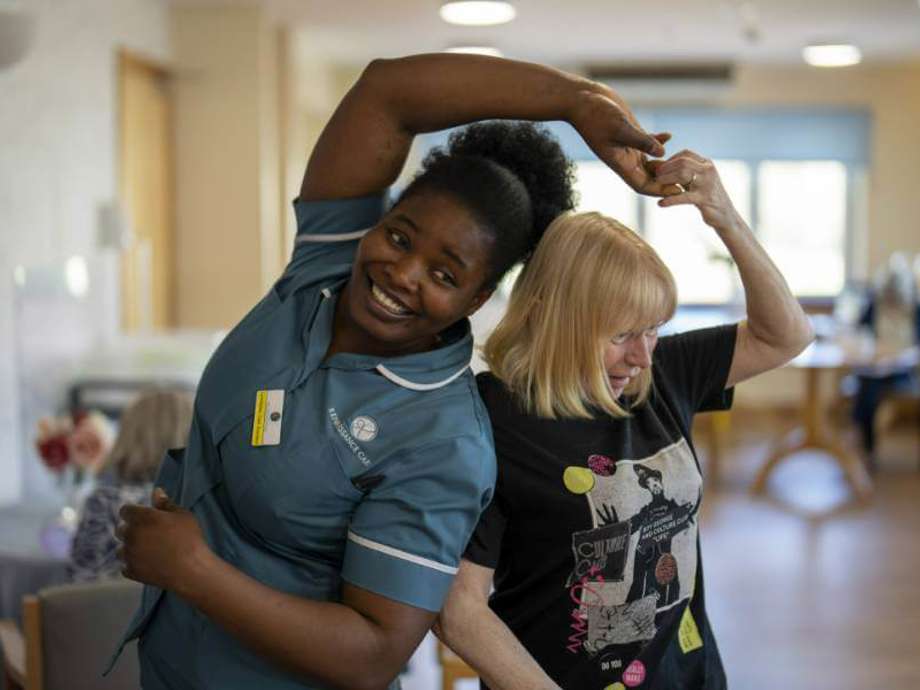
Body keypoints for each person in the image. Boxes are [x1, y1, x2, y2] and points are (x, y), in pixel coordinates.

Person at [111, 53, 675, 690]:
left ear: (476, 300)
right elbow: (387, 90)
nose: (402, 276)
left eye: (444, 275)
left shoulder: (443, 441)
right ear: (375, 225)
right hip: (168, 664)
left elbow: (373, 653)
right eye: (401, 238)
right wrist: (576, 101)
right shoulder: (320, 276)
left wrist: (194, 570)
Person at [435, 149, 815, 690]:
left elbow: (786, 335)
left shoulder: (663, 376)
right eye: (619, 335)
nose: (641, 356)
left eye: (654, 329)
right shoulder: (488, 418)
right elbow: (459, 609)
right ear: (554, 317)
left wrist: (724, 215)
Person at [67, 391, 193, 582]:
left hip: (111, 609)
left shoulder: (104, 500)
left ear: (127, 435)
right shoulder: (197, 503)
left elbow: (79, 583)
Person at [849, 252, 920, 471]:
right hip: (874, 368)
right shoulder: (873, 305)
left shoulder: (915, 310)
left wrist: (903, 356)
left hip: (904, 371)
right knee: (866, 391)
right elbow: (858, 333)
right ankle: (867, 449)